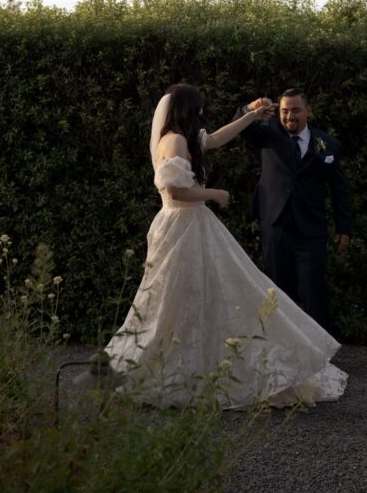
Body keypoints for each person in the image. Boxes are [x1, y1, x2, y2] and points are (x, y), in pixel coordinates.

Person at [100, 84, 347, 409]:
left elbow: (216, 138)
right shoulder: (173, 140)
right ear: (187, 109)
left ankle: (200, 363)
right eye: (199, 108)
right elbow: (174, 191)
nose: (203, 112)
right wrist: (213, 194)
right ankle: (147, 369)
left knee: (205, 295)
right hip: (180, 227)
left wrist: (252, 114)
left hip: (195, 226)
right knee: (171, 299)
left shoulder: (187, 139)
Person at [236, 89, 351, 333]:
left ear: (308, 111)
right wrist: (249, 109)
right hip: (276, 227)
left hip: (311, 230)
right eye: (284, 111)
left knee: (313, 293)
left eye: (295, 110)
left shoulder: (328, 144)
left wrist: (344, 227)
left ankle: (319, 355)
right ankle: (279, 354)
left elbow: (339, 190)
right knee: (277, 293)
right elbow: (242, 128)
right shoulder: (269, 135)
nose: (289, 116)